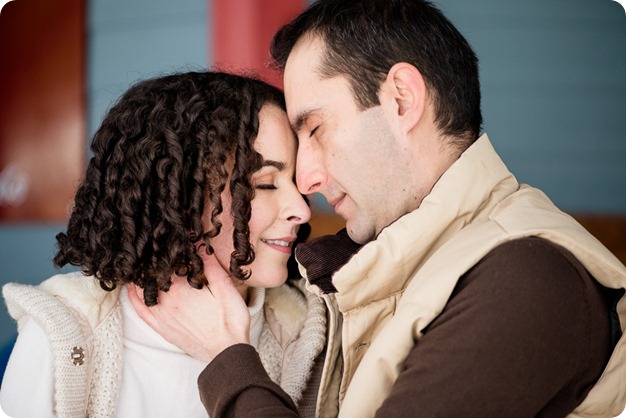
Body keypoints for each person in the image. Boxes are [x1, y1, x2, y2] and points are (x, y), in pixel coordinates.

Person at [129, 1, 626, 417]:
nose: (306, 182)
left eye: (316, 129)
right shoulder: (408, 264)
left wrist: (227, 361)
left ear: (402, 100)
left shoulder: (526, 278)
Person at [0, 70, 327, 418]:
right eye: (264, 185)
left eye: (294, 181)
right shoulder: (63, 337)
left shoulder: (311, 334)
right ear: (178, 198)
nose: (302, 211)